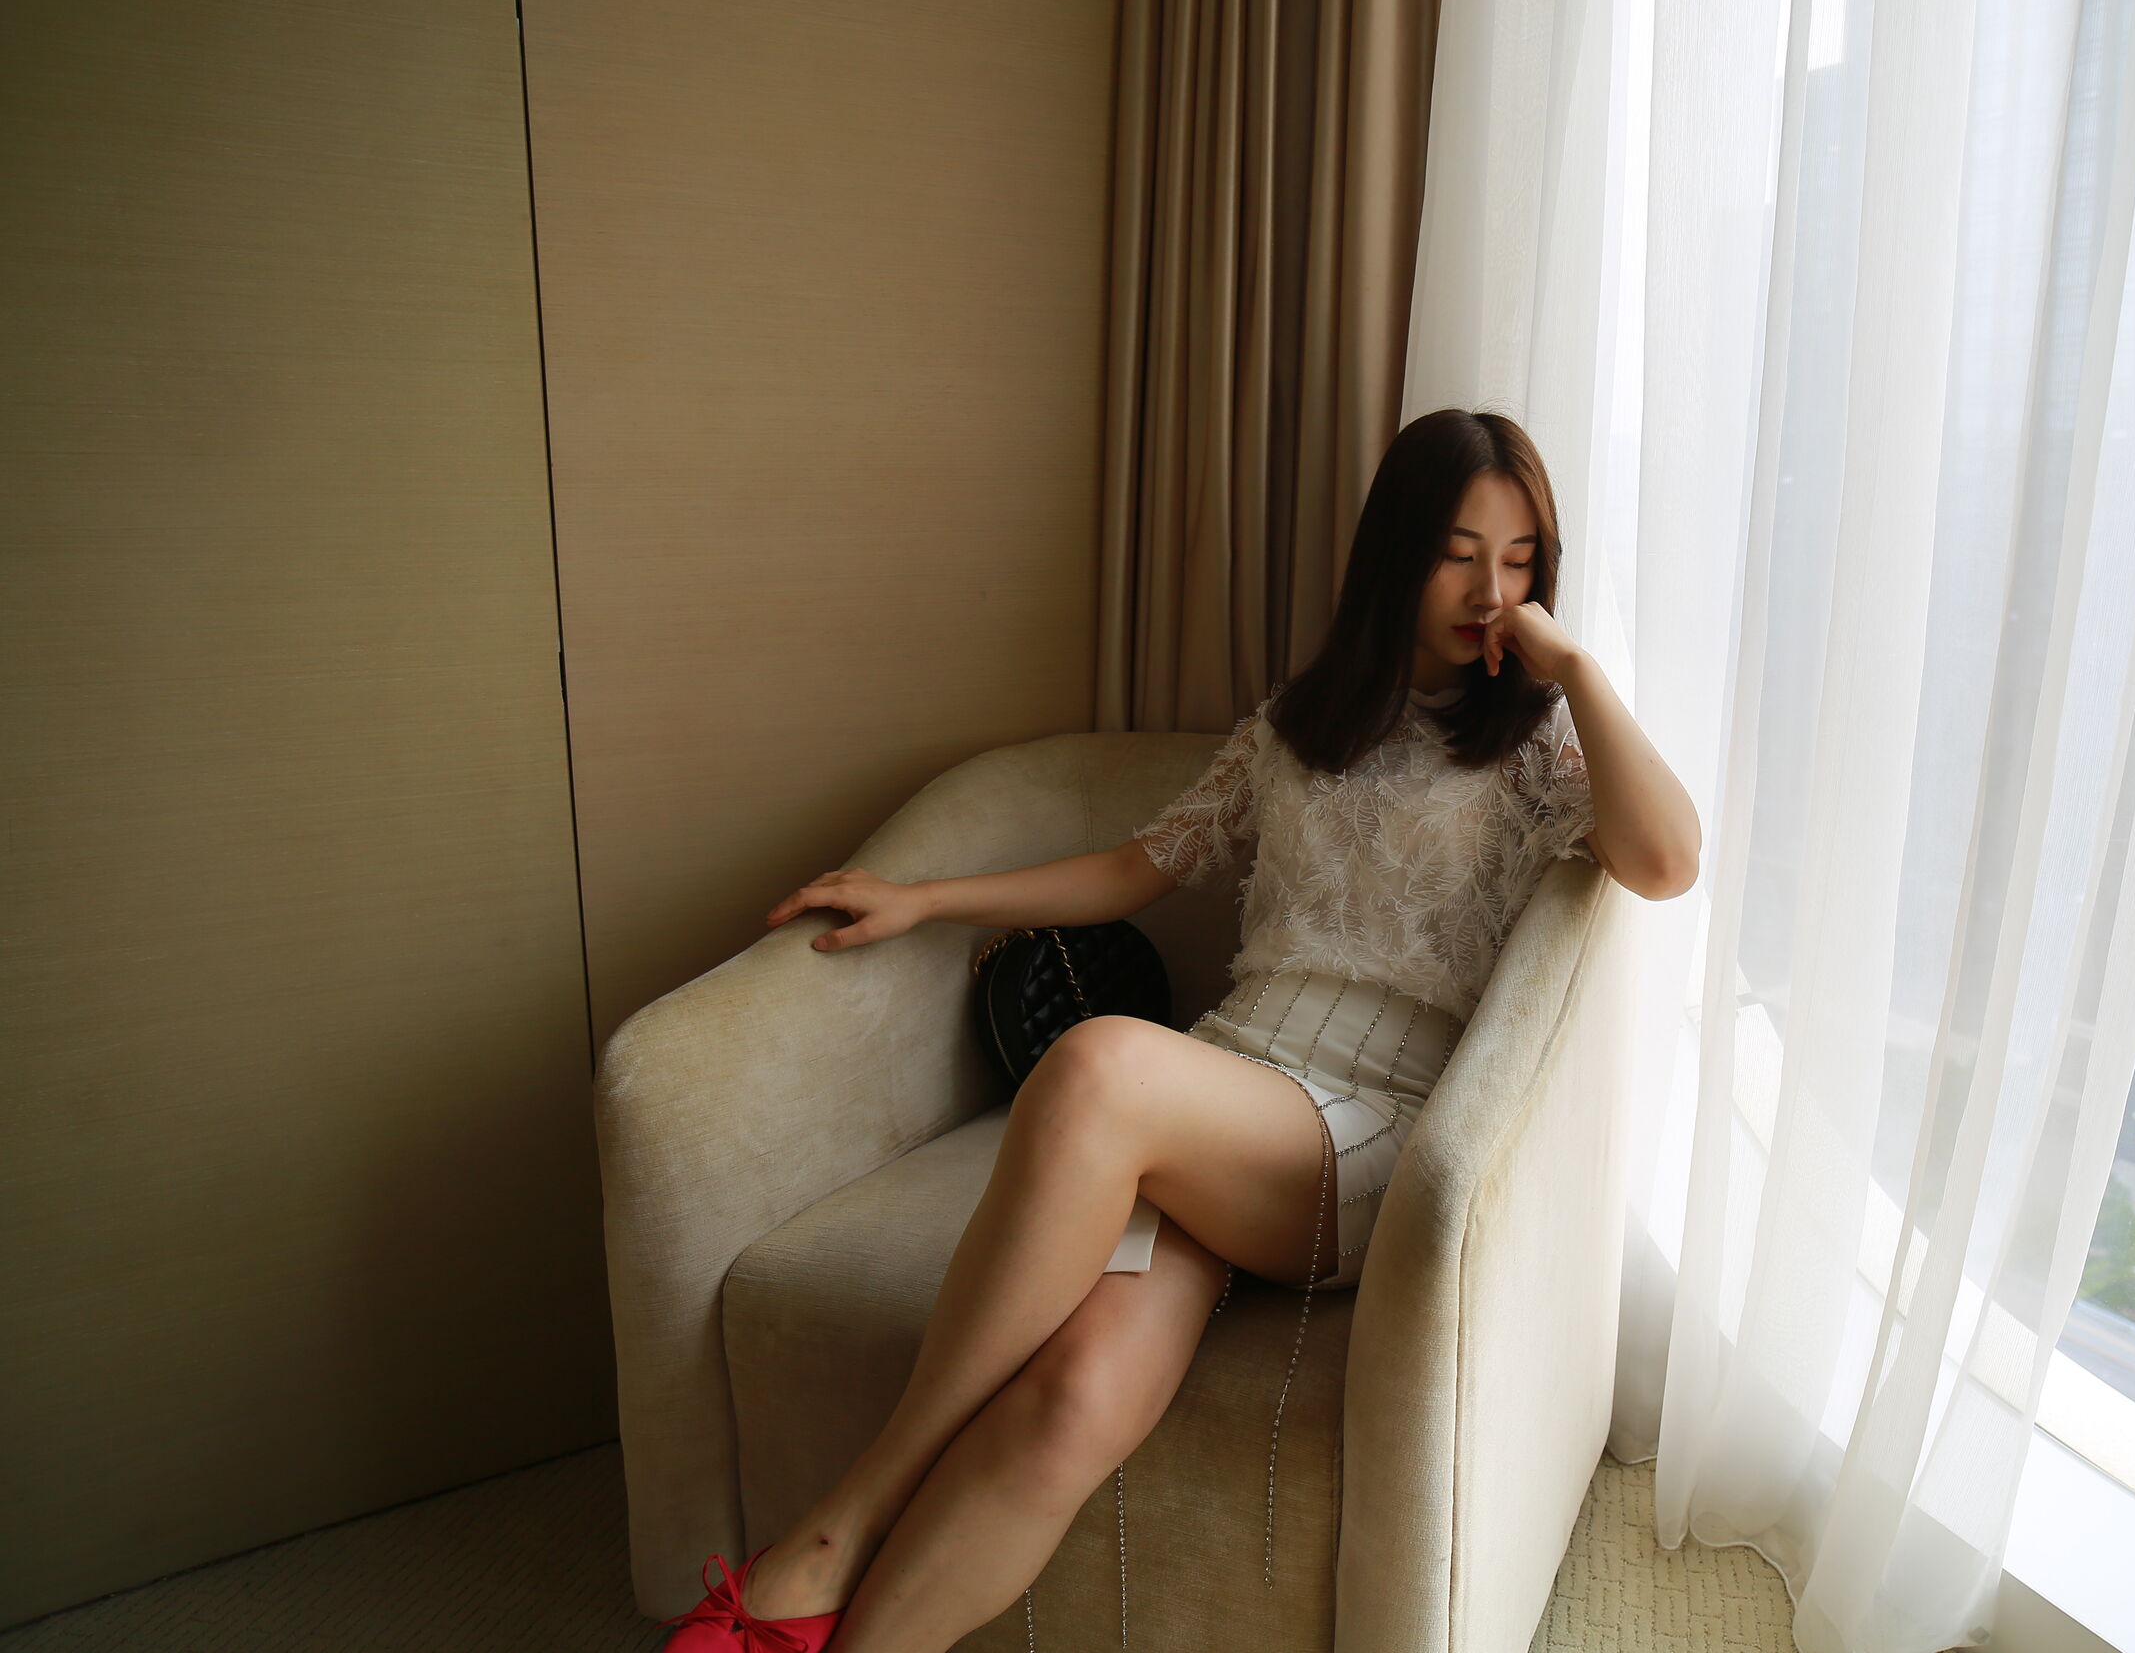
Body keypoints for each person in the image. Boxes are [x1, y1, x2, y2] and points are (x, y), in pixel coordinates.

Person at [660, 408, 1701, 1652]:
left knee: (1099, 1065)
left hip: (1363, 1134)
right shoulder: (1299, 725)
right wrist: (927, 900)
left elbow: (1667, 860)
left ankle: (841, 1523)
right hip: (1219, 1108)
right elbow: (1132, 868)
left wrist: (1575, 670)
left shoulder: (1537, 741)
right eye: (1458, 554)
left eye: (1521, 559)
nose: (1492, 593)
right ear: (1395, 555)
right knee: (1074, 1398)